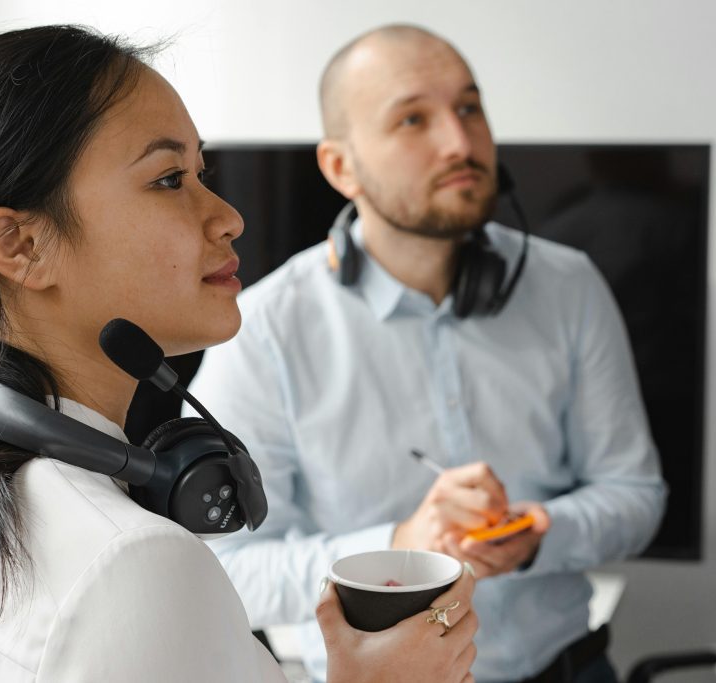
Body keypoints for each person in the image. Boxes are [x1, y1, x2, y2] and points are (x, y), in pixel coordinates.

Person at [0, 25, 479, 683]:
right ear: (21, 245)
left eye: (202, 172)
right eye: (170, 178)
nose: (229, 216)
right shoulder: (134, 561)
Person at [187, 24, 667, 682]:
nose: (460, 142)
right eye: (413, 119)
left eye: (469, 108)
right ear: (340, 167)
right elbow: (229, 568)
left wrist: (539, 532)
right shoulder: (264, 327)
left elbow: (636, 494)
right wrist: (400, 546)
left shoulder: (570, 285)